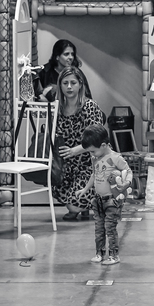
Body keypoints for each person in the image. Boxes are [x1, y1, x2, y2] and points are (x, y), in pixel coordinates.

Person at [45, 66, 106, 221]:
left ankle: (91, 202)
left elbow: (97, 138)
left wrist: (74, 150)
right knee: (58, 189)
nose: (69, 87)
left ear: (80, 84)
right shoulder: (57, 109)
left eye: (73, 83)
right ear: (60, 86)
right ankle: (84, 205)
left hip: (90, 163)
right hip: (67, 164)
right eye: (65, 83)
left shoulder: (90, 106)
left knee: (73, 206)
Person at [76, 125, 133, 265]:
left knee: (110, 228)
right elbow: (94, 175)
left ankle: (114, 255)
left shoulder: (115, 158)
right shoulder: (96, 157)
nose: (92, 154)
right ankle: (99, 253)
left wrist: (126, 184)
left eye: (93, 151)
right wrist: (85, 189)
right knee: (99, 228)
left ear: (103, 145)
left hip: (112, 201)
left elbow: (128, 171)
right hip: (98, 200)